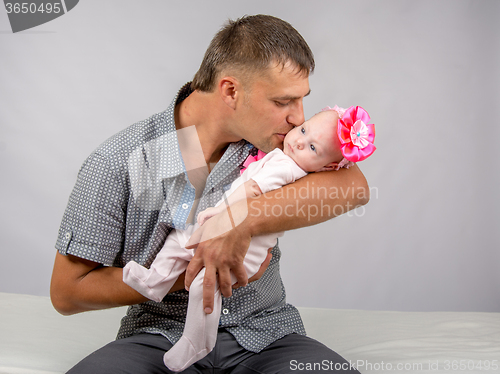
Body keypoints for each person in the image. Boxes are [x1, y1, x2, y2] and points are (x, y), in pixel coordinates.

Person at [51, 14, 369, 373]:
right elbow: (67, 292)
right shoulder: (120, 161)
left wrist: (239, 222)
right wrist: (197, 272)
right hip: (159, 337)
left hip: (266, 335)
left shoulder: (278, 145)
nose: (299, 117)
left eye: (301, 100)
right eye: (283, 102)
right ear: (231, 90)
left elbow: (355, 187)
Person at [123, 105, 376, 372]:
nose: (299, 140)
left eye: (313, 148)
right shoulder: (279, 154)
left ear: (328, 167)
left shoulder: (291, 171)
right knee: (179, 239)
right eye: (303, 130)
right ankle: (155, 281)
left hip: (245, 252)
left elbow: (250, 192)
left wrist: (218, 212)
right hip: (219, 227)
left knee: (204, 284)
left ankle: (197, 340)